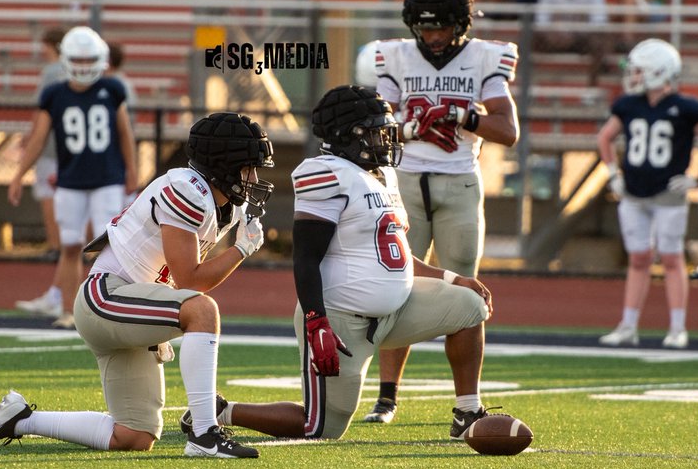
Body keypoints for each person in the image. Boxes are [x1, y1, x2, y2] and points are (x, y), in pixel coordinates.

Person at [193, 86, 494, 442]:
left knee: (470, 306)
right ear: (347, 137)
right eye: (374, 132)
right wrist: (316, 320)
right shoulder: (326, 173)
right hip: (340, 320)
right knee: (320, 429)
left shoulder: (383, 176)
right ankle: (219, 410)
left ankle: (467, 411)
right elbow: (306, 256)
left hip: (397, 310)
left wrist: (451, 277)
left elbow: (394, 254)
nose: (385, 139)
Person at [0, 113, 274, 458]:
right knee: (202, 310)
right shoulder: (186, 190)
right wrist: (240, 250)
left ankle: (21, 419)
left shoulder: (221, 206)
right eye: (248, 167)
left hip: (129, 301)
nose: (254, 177)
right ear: (224, 165)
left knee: (135, 435)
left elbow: (185, 282)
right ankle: (205, 435)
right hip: (105, 296)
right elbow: (190, 280)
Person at [364, 0, 517, 426]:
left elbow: (508, 131)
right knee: (395, 284)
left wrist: (461, 114)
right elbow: (377, 124)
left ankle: (467, 405)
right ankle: (387, 397)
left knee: (466, 295)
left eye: (441, 28)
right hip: (404, 182)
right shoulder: (395, 55)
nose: (432, 37)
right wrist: (409, 127)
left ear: (461, 25)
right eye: (425, 28)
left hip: (460, 184)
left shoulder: (487, 58)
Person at [8, 26, 137, 329]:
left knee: (109, 245)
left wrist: (132, 171)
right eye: (77, 60)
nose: (82, 66)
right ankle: (68, 311)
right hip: (70, 180)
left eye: (87, 59)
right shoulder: (54, 93)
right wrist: (18, 175)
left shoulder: (113, 89)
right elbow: (38, 138)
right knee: (70, 246)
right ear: (66, 60)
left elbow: (124, 132)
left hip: (107, 178)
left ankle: (112, 307)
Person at [597, 39, 698, 348]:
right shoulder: (629, 105)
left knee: (671, 258)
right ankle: (628, 325)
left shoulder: (687, 108)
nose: (633, 77)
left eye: (639, 71)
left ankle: (677, 327)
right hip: (633, 192)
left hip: (668, 193)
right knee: (638, 258)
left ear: (660, 71)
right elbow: (605, 138)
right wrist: (612, 173)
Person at [15, 26, 68, 318]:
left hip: (51, 151)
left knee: (62, 227)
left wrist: (31, 138)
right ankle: (60, 292)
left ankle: (56, 254)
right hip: (74, 154)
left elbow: (42, 112)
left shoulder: (52, 72)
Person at [532, 0, 611, 86]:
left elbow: (599, 22)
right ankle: (529, 86)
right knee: (528, 36)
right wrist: (557, 32)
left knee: (600, 40)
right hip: (554, 39)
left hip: (581, 40)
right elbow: (541, 21)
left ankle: (591, 88)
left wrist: (574, 33)